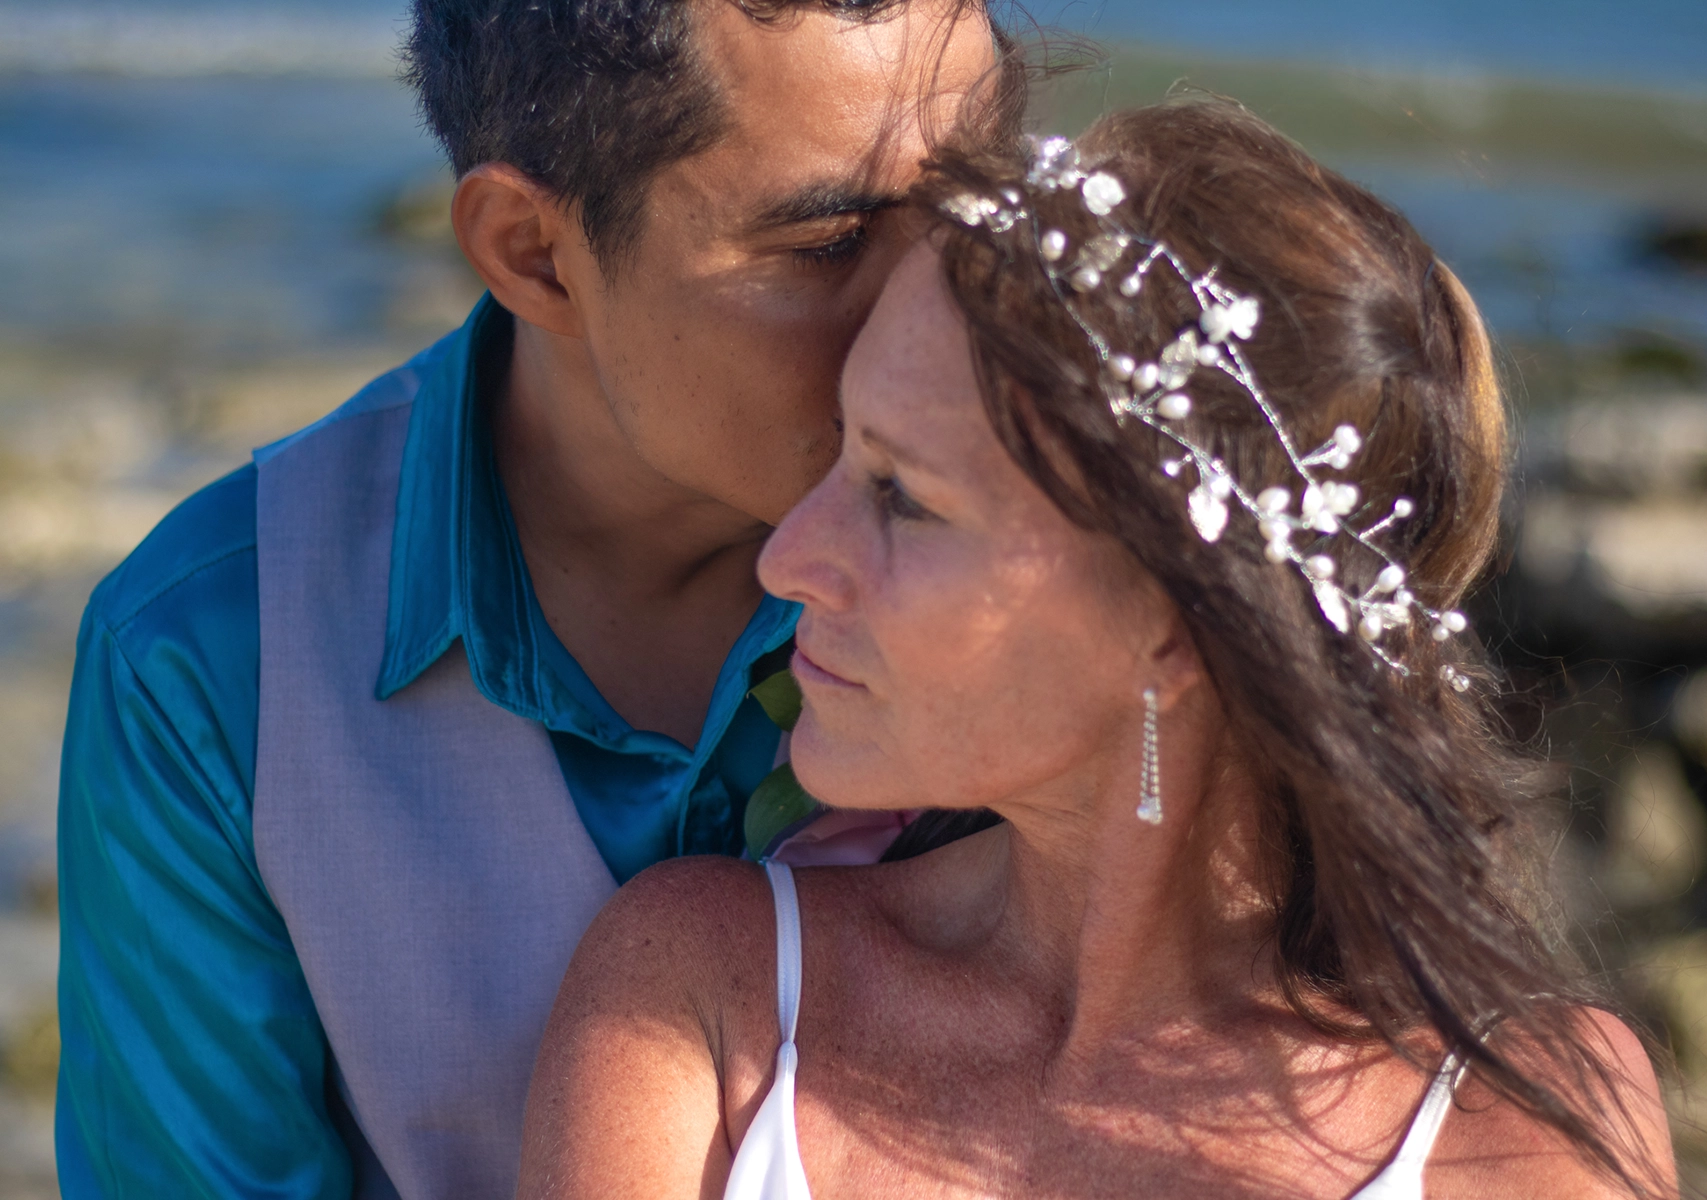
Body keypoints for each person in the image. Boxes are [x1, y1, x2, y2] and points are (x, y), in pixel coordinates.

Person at [518, 98, 1681, 1199]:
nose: (789, 559)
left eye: (901, 496)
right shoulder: (705, 999)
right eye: (843, 450)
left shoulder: (1514, 1132)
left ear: (1175, 627)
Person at [54, 1, 999, 1195]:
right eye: (831, 244)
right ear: (532, 253)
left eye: (986, 200)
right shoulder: (202, 661)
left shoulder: (1095, 557)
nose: (945, 305)